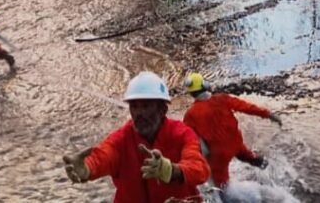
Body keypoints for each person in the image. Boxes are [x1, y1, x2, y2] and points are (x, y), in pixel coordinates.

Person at [62, 72, 210, 202]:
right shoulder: (121, 140)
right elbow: (102, 156)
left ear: (162, 110)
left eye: (145, 106)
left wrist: (171, 170)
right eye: (134, 106)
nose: (139, 113)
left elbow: (199, 169)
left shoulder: (182, 134)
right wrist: (87, 169)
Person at [181, 72, 283, 189]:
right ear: (205, 85)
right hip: (237, 144)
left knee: (221, 186)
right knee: (252, 158)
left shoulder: (190, 114)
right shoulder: (222, 99)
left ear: (191, 93)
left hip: (219, 155)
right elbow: (246, 107)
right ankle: (275, 177)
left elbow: (186, 137)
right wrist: (268, 114)